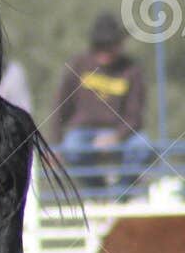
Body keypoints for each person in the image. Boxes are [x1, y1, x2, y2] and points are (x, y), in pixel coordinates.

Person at [50, 12, 152, 197]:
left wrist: (116, 137)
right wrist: (55, 145)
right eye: (100, 46)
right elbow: (60, 107)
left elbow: (135, 115)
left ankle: (120, 195)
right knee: (72, 148)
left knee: (142, 146)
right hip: (83, 131)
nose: (104, 52)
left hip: (120, 131)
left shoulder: (131, 70)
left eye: (109, 46)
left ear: (119, 45)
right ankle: (99, 193)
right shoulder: (78, 65)